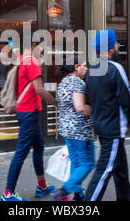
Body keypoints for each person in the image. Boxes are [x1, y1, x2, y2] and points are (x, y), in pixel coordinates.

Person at [84, 29, 130, 201]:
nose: (118, 45)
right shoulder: (116, 68)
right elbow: (127, 99)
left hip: (101, 125)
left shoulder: (91, 69)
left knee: (120, 171)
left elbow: (90, 98)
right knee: (105, 170)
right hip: (113, 129)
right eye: (116, 43)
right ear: (110, 48)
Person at [1, 37, 58, 201]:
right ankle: (8, 193)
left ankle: (41, 186)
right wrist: (55, 102)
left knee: (39, 147)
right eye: (42, 47)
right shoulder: (31, 62)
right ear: (33, 45)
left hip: (26, 111)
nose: (43, 51)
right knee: (21, 152)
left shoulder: (22, 59)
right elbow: (39, 89)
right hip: (29, 112)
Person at [55, 56, 94, 201]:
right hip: (79, 130)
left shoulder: (63, 82)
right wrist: (95, 111)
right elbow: (80, 107)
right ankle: (64, 190)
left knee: (76, 162)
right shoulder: (77, 82)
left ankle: (78, 194)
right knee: (88, 163)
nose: (87, 69)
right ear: (76, 67)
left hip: (66, 129)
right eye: (84, 66)